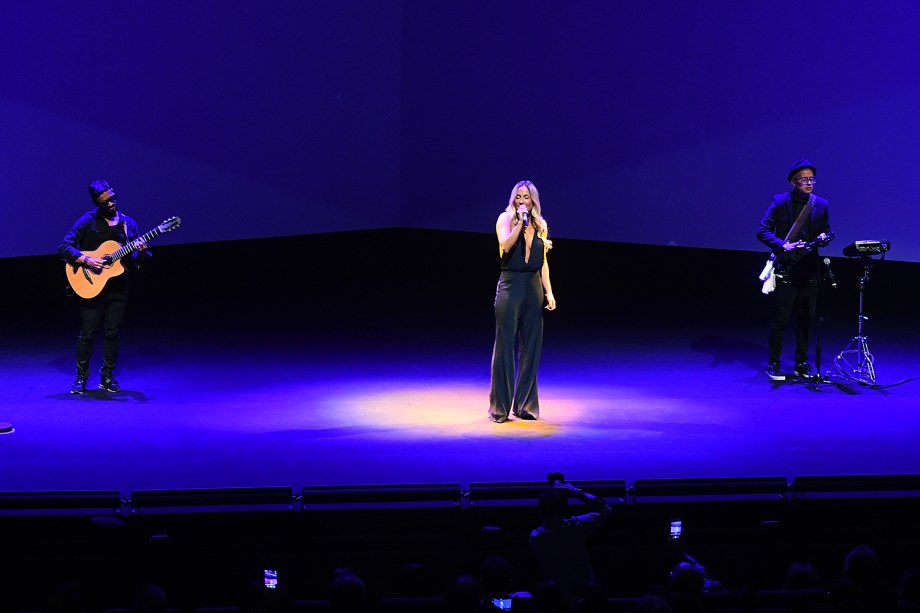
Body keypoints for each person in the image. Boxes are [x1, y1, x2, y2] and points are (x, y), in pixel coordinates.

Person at [59, 179, 150, 394]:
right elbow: (64, 247)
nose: (110, 204)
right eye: (105, 203)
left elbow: (137, 261)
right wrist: (86, 260)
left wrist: (142, 251)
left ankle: (107, 376)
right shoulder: (87, 221)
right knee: (87, 333)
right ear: (97, 203)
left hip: (118, 286)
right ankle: (81, 377)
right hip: (91, 284)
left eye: (112, 199)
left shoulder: (129, 224)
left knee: (113, 333)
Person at [756, 159, 831, 381]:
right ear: (793, 182)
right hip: (786, 268)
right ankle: (774, 362)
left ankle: (801, 363)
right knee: (782, 318)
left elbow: (825, 231)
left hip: (810, 268)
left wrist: (822, 239)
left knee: (807, 317)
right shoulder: (780, 201)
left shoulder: (822, 204)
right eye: (804, 179)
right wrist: (782, 244)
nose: (809, 183)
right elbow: (762, 230)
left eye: (811, 179)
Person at [488, 180, 556, 423]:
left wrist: (549, 292)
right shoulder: (505, 219)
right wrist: (520, 223)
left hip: (533, 286)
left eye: (526, 197)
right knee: (505, 345)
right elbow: (505, 246)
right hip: (511, 283)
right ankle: (500, 408)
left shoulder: (541, 224)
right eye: (518, 196)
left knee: (532, 346)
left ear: (533, 200)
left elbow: (543, 263)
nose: (522, 201)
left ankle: (525, 405)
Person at [529, 474, 612, 597]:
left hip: (555, 597)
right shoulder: (576, 527)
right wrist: (576, 492)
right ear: (564, 510)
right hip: (585, 594)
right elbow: (605, 509)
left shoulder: (535, 537)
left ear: (540, 513)